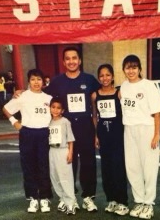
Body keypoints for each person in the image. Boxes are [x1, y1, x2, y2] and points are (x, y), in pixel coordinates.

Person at [45, 46, 100, 212]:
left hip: (85, 127)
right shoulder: (57, 82)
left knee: (88, 163)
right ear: (63, 62)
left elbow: (104, 94)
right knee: (68, 163)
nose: (71, 61)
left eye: (74, 58)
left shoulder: (89, 80)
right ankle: (70, 196)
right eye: (67, 59)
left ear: (80, 60)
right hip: (65, 129)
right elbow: (42, 97)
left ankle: (88, 197)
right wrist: (22, 92)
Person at [3, 69, 53, 214]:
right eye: (33, 79)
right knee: (28, 166)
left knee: (43, 165)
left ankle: (44, 197)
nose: (36, 82)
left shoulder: (48, 98)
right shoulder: (22, 96)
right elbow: (6, 109)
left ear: (43, 81)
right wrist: (15, 123)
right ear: (28, 81)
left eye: (39, 79)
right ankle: (32, 197)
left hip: (44, 133)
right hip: (27, 133)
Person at [120, 55, 160, 219]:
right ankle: (139, 201)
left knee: (149, 168)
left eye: (134, 67)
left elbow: (157, 112)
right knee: (132, 167)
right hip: (129, 129)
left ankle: (149, 203)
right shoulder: (123, 87)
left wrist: (157, 134)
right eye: (128, 67)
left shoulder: (149, 86)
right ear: (124, 69)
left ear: (140, 69)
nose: (131, 71)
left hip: (147, 129)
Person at [91, 64, 129, 216]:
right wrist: (96, 135)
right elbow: (95, 116)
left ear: (113, 77)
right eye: (101, 75)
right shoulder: (95, 95)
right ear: (98, 77)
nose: (104, 78)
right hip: (103, 134)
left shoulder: (119, 94)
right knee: (106, 168)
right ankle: (111, 199)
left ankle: (123, 202)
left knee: (118, 167)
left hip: (117, 134)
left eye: (107, 75)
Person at [48, 97, 79, 215]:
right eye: (53, 107)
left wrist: (70, 152)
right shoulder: (48, 121)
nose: (55, 110)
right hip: (52, 151)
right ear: (50, 108)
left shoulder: (65, 121)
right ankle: (62, 198)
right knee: (54, 176)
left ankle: (71, 202)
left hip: (63, 151)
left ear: (63, 110)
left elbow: (70, 139)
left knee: (65, 177)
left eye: (58, 108)